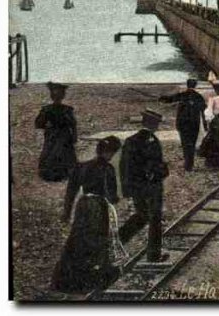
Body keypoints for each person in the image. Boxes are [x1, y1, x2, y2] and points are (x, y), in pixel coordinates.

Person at [52, 136, 124, 293]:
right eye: (111, 152)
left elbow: (71, 192)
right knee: (98, 241)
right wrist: (115, 200)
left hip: (83, 206)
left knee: (78, 240)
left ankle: (66, 281)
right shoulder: (108, 169)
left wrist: (66, 212)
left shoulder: (82, 166)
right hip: (98, 208)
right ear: (108, 152)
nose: (111, 155)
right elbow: (111, 195)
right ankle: (94, 279)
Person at [118, 109, 170, 263]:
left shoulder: (130, 140)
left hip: (136, 187)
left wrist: (127, 189)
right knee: (154, 219)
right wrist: (163, 171)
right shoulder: (153, 141)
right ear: (153, 125)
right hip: (152, 187)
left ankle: (116, 241)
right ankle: (154, 256)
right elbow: (157, 166)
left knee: (141, 216)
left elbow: (124, 167)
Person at [159, 79, 208, 172]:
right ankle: (190, 164)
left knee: (185, 143)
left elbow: (170, 99)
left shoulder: (182, 95)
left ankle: (187, 163)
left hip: (183, 123)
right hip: (194, 123)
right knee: (192, 143)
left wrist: (161, 97)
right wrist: (205, 125)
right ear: (195, 85)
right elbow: (204, 111)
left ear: (187, 85)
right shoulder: (199, 97)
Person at [35, 82, 78, 182]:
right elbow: (38, 124)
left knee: (61, 154)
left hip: (60, 137)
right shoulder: (48, 110)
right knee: (53, 154)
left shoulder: (66, 110)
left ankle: (60, 174)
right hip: (54, 136)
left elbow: (73, 124)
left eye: (59, 94)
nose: (57, 97)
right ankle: (55, 174)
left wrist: (74, 136)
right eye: (56, 94)